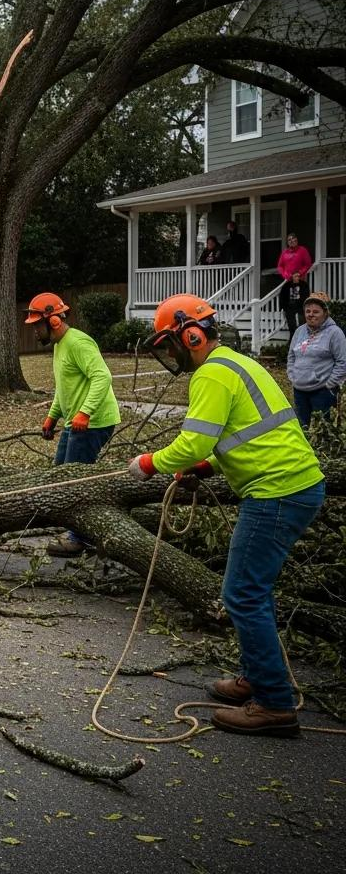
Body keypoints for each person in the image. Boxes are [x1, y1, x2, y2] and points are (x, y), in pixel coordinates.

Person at [129, 293, 325, 737]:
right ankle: (257, 677)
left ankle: (274, 703)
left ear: (191, 334)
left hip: (277, 492)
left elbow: (194, 441)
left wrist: (149, 463)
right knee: (253, 590)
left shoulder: (212, 376)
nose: (170, 354)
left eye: (170, 343)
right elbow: (246, 433)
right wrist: (208, 466)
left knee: (241, 594)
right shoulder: (239, 363)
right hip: (295, 487)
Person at [26, 292, 121, 558]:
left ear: (54, 320)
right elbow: (64, 388)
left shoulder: (78, 343)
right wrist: (52, 416)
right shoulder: (59, 346)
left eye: (37, 324)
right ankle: (74, 528)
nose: (35, 330)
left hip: (93, 422)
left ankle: (82, 538)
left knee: (74, 480)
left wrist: (85, 413)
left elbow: (103, 377)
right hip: (75, 421)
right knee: (60, 474)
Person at [287, 290, 346, 427]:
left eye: (316, 311)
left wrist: (329, 384)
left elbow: (342, 363)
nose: (311, 315)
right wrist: (292, 376)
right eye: (308, 311)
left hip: (323, 392)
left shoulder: (335, 333)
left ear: (325, 313)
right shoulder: (299, 331)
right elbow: (291, 356)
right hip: (299, 390)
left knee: (324, 429)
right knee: (303, 427)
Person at [279, 270, 309, 335]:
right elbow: (282, 297)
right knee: (291, 323)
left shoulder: (303, 285)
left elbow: (306, 295)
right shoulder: (287, 286)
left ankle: (302, 337)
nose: (297, 278)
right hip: (290, 306)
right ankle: (292, 337)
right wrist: (283, 307)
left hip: (300, 306)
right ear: (292, 276)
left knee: (302, 322)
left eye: (298, 276)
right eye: (296, 276)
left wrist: (304, 305)